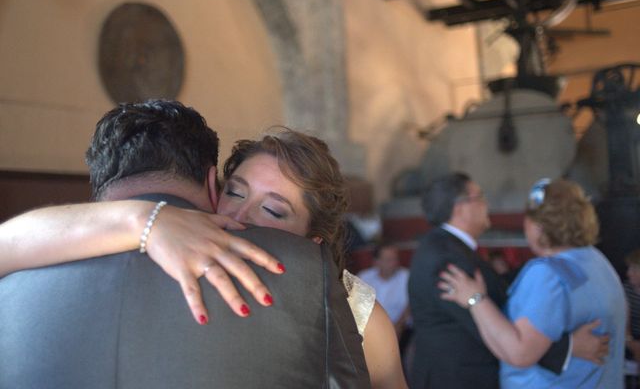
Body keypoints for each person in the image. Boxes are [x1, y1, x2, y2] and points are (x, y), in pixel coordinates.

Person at [0, 103, 406, 388]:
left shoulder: (343, 302)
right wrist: (145, 221)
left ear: (314, 243)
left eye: (274, 211)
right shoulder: (158, 234)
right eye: (235, 192)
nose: (241, 217)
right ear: (216, 189)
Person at [408, 172, 609, 389]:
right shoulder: (445, 258)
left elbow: (496, 290)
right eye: (480, 196)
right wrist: (569, 347)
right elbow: (484, 323)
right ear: (460, 208)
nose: (487, 203)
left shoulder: (448, 248)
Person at [358, 242, 411, 337]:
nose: (394, 263)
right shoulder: (364, 278)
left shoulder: (407, 278)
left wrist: (397, 328)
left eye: (395, 259)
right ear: (376, 262)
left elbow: (410, 307)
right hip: (369, 331)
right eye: (388, 260)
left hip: (401, 331)